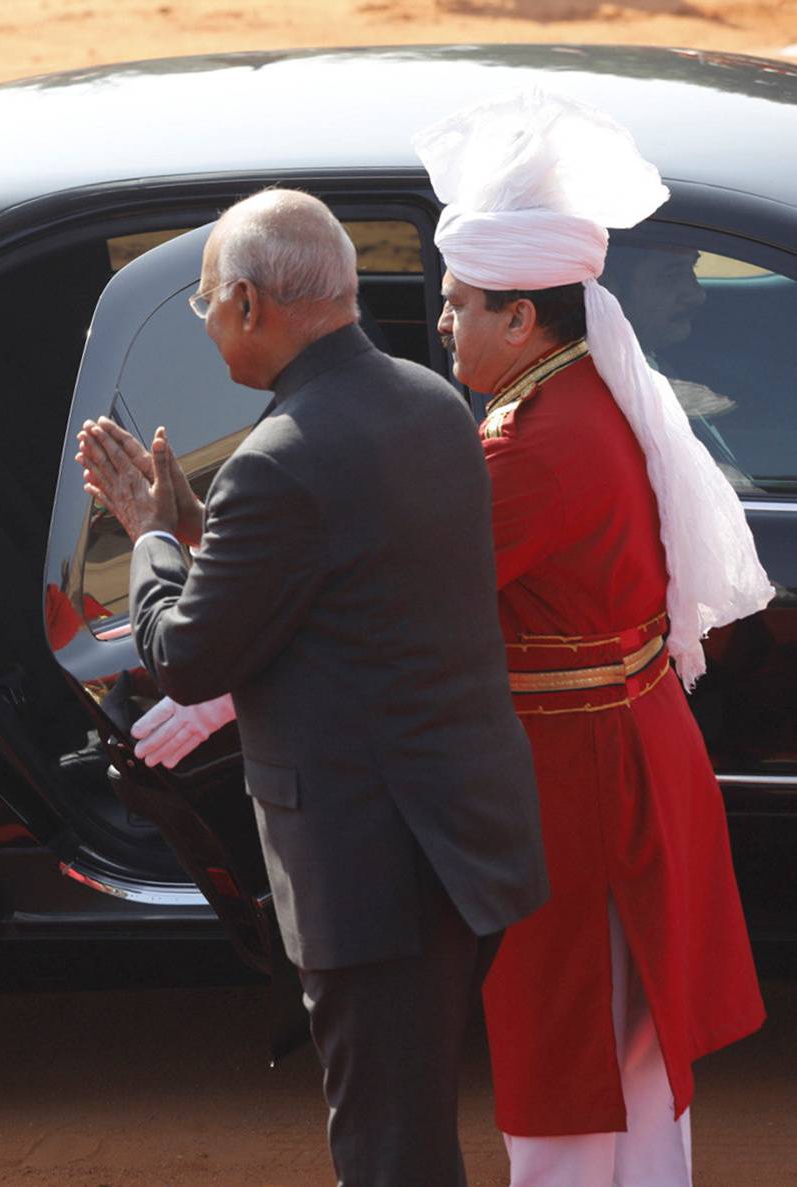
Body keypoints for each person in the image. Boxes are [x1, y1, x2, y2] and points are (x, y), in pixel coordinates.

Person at [76, 188, 548, 1187]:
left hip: (369, 866)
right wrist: (209, 533)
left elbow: (189, 658)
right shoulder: (428, 400)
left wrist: (151, 534)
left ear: (248, 302)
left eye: (206, 304)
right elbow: (340, 577)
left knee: (388, 1150)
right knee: (410, 1130)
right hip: (462, 839)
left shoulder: (278, 462)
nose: (206, 328)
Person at [416, 88, 771, 1185]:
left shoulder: (530, 443)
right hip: (617, 751)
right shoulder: (574, 396)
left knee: (572, 1038)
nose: (440, 322)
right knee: (623, 1041)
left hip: (582, 778)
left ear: (521, 317)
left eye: (456, 303)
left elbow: (406, 603)